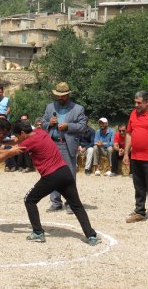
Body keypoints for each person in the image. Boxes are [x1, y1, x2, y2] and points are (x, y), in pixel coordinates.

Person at [13, 121, 100, 245]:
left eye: (18, 136)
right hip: (65, 172)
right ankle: (91, 236)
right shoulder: (41, 132)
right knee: (76, 205)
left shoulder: (28, 142)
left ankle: (38, 232)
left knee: (29, 200)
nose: (17, 139)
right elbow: (16, 143)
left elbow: (12, 151)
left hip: (51, 176)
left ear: (22, 133)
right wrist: (2, 142)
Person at [42, 82, 86, 214]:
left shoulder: (78, 109)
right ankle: (55, 202)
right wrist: (49, 123)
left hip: (67, 145)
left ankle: (70, 203)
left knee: (69, 175)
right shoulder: (50, 107)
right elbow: (41, 123)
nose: (60, 98)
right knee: (51, 174)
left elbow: (83, 126)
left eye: (62, 96)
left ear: (68, 95)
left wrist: (68, 126)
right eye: (58, 96)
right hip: (52, 144)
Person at [123, 90, 148, 229]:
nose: (136, 105)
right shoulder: (133, 114)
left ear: (147, 102)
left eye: (139, 103)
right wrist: (126, 154)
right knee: (138, 185)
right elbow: (129, 134)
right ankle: (140, 211)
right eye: (135, 102)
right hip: (136, 157)